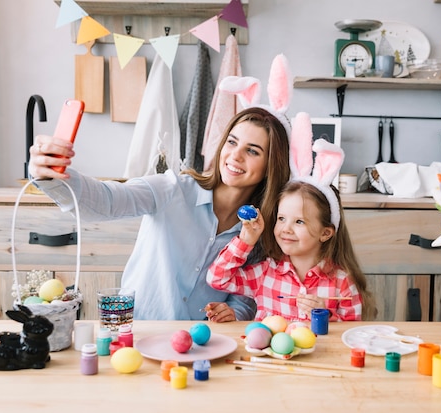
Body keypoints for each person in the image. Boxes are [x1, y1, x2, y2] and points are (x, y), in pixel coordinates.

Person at [28, 106, 291, 322]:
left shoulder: (259, 231)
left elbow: (247, 294)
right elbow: (106, 200)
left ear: (270, 166)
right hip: (137, 331)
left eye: (252, 151)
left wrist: (235, 312)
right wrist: (51, 176)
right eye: (232, 142)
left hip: (203, 345)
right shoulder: (172, 189)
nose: (235, 155)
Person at [207, 133, 377, 322]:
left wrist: (326, 316)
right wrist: (245, 241)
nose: (286, 229)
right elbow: (217, 278)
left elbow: (351, 334)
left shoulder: (342, 281)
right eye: (281, 218)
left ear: (325, 233)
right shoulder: (265, 273)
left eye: (299, 222)